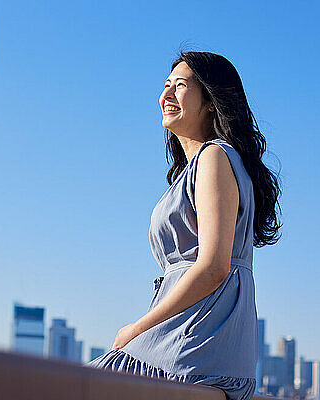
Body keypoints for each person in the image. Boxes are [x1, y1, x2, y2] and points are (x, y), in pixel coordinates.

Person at [86, 50, 282, 400]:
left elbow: (212, 268)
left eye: (180, 86)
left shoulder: (214, 157)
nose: (167, 95)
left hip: (194, 342)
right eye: (165, 86)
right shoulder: (200, 167)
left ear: (210, 102)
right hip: (200, 339)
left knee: (57, 385)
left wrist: (134, 330)